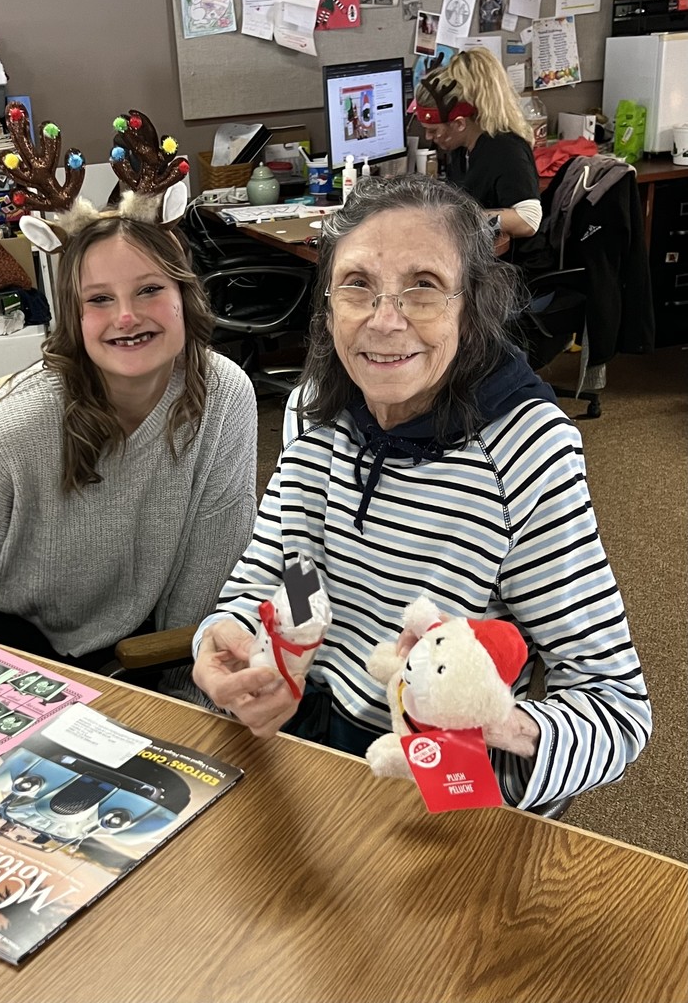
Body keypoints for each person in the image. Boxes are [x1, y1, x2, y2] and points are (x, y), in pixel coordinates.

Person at [191, 175, 651, 811]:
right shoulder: (315, 409)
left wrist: (502, 729)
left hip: (438, 781)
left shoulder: (525, 450)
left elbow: (617, 708)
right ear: (329, 304)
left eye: (424, 288)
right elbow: (288, 565)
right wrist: (237, 635)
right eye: (358, 286)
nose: (384, 321)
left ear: (473, 305)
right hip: (310, 744)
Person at [0, 113, 259, 698]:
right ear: (74, 316)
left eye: (149, 289)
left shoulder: (225, 396)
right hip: (6, 647)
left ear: (184, 297)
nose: (126, 316)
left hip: (133, 647)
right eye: (99, 299)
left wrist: (187, 713)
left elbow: (207, 576)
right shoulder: (13, 430)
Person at [414, 47, 542, 249]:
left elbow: (529, 219)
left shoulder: (505, 150)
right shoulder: (461, 147)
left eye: (433, 130)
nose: (428, 137)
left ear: (459, 124)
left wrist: (462, 217)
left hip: (515, 268)